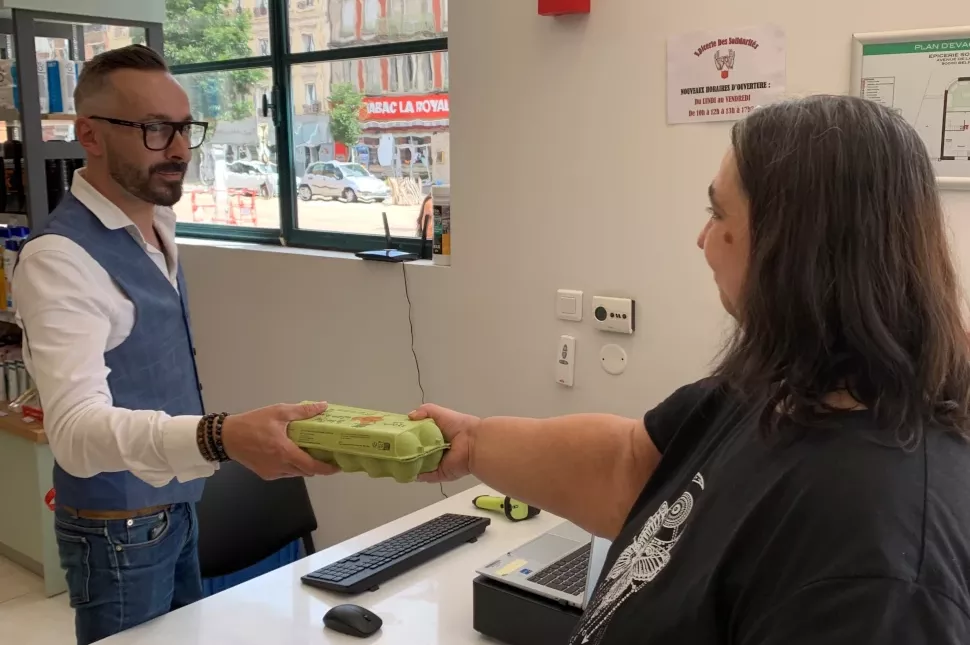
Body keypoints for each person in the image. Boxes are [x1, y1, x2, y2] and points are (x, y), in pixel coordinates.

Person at [410, 96, 970, 644]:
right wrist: (471, 443)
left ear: (793, 248)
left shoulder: (879, 570)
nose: (702, 240)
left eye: (718, 214)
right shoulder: (785, 382)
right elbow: (627, 468)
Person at [12, 45, 336, 645]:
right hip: (117, 528)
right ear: (91, 134)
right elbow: (76, 435)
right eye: (155, 129)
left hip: (182, 501)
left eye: (185, 127)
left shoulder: (157, 223)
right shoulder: (58, 259)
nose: (181, 149)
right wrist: (220, 435)